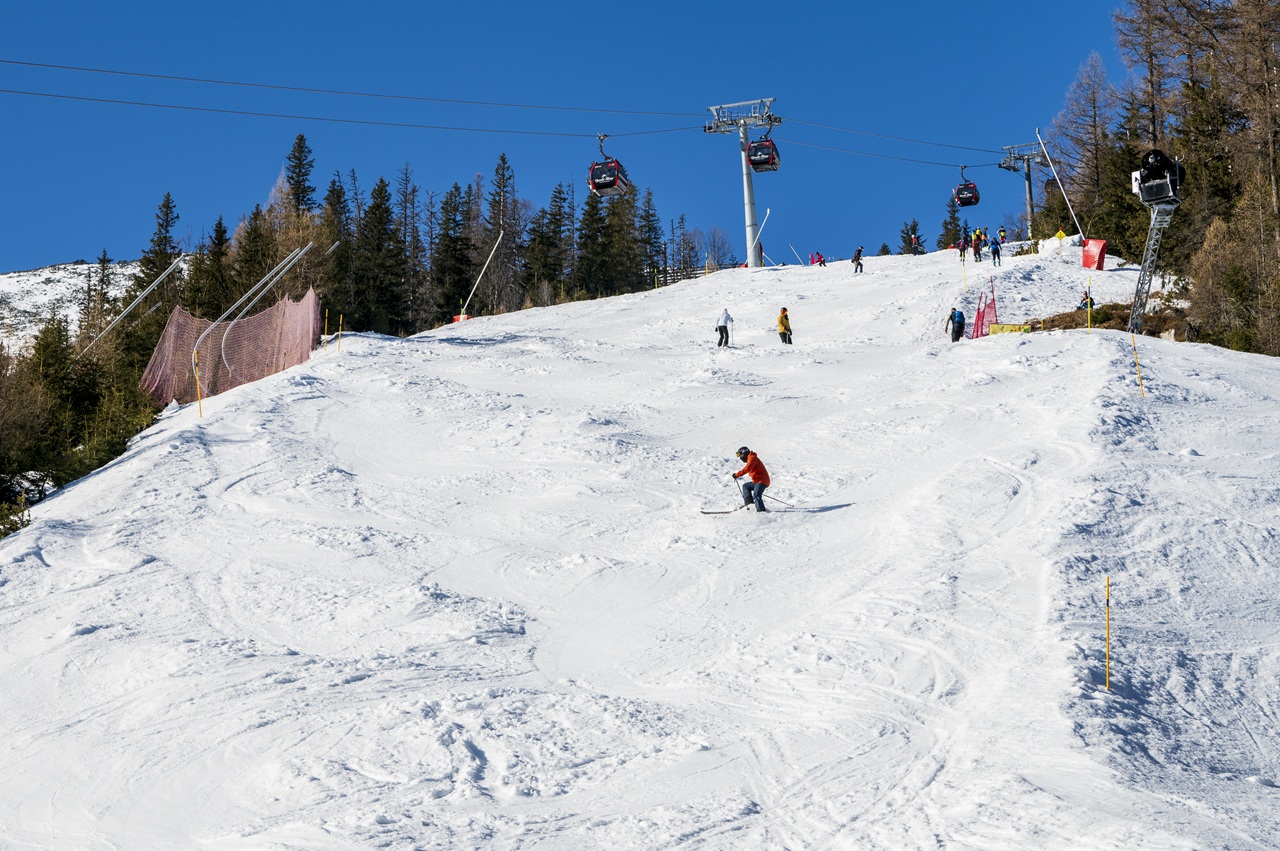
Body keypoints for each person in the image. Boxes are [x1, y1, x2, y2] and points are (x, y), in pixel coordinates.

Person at [732, 446, 771, 512]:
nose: (740, 457)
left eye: (740, 455)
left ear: (744, 453)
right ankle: (750, 505)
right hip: (757, 481)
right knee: (746, 486)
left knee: (756, 495)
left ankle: (761, 512)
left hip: (762, 480)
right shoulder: (750, 458)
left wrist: (737, 474)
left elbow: (747, 469)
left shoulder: (752, 458)